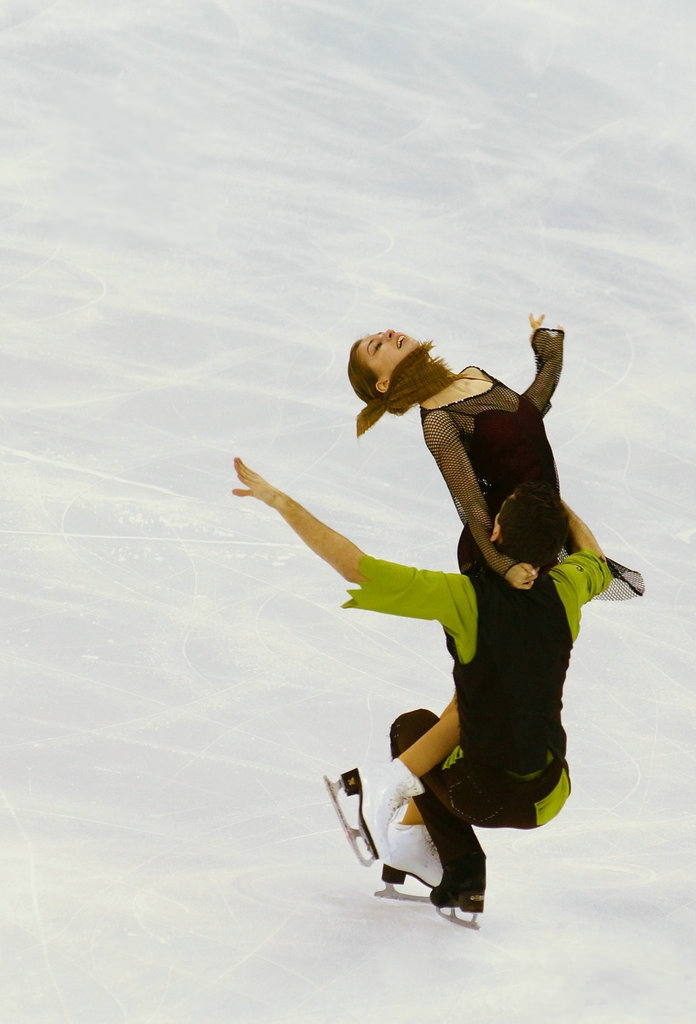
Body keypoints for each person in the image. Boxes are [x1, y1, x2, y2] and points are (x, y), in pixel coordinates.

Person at [232, 458, 612, 919]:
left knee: (411, 728)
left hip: (487, 798)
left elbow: (357, 568)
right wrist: (555, 503)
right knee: (473, 700)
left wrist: (280, 500)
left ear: (494, 536)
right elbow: (595, 558)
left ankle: (446, 848)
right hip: (551, 793)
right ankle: (413, 841)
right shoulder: (568, 588)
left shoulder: (465, 597)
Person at [347, 316, 643, 601]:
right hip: (505, 546)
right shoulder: (439, 421)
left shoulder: (473, 374)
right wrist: (505, 567)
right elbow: (472, 506)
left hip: (540, 528)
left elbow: (526, 414)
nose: (386, 333)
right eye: (376, 347)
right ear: (383, 384)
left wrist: (550, 360)